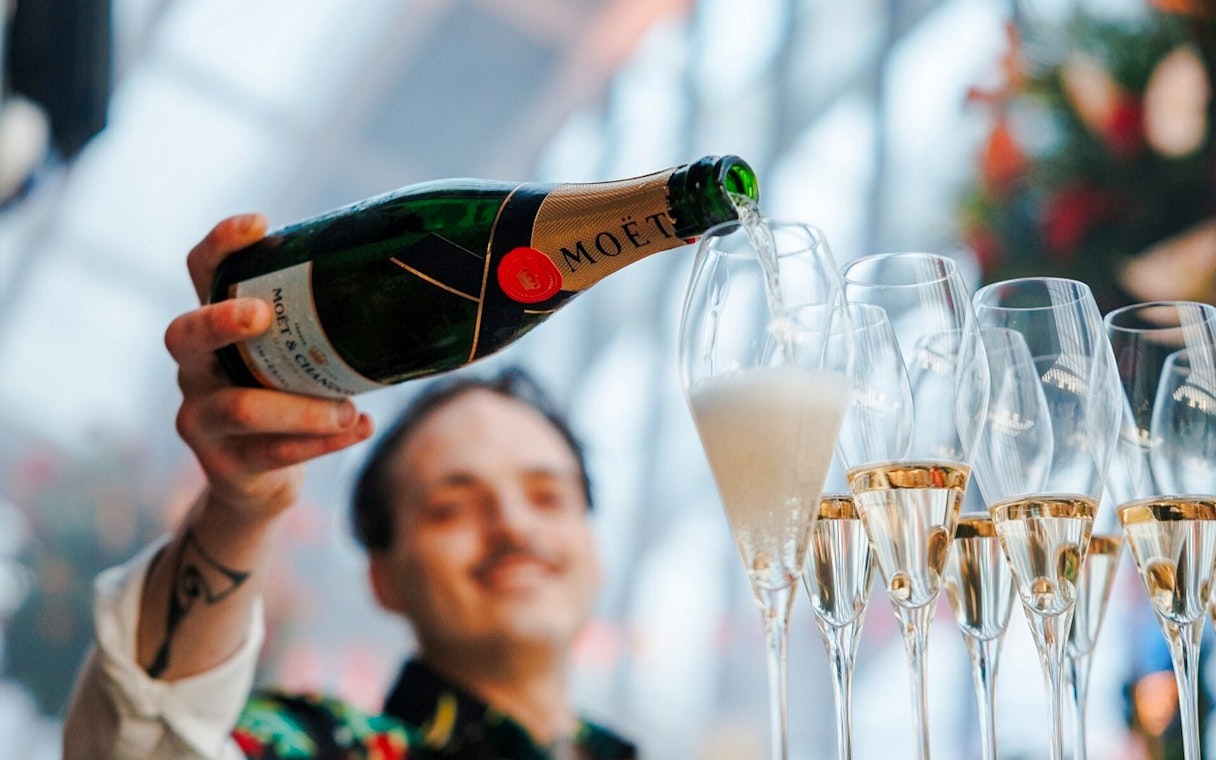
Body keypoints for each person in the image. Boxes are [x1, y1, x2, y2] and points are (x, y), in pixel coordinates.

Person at [61, 213, 637, 759]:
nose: (514, 525)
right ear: (383, 578)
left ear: (593, 541)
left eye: (548, 497)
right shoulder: (316, 744)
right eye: (452, 508)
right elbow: (146, 745)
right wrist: (240, 505)